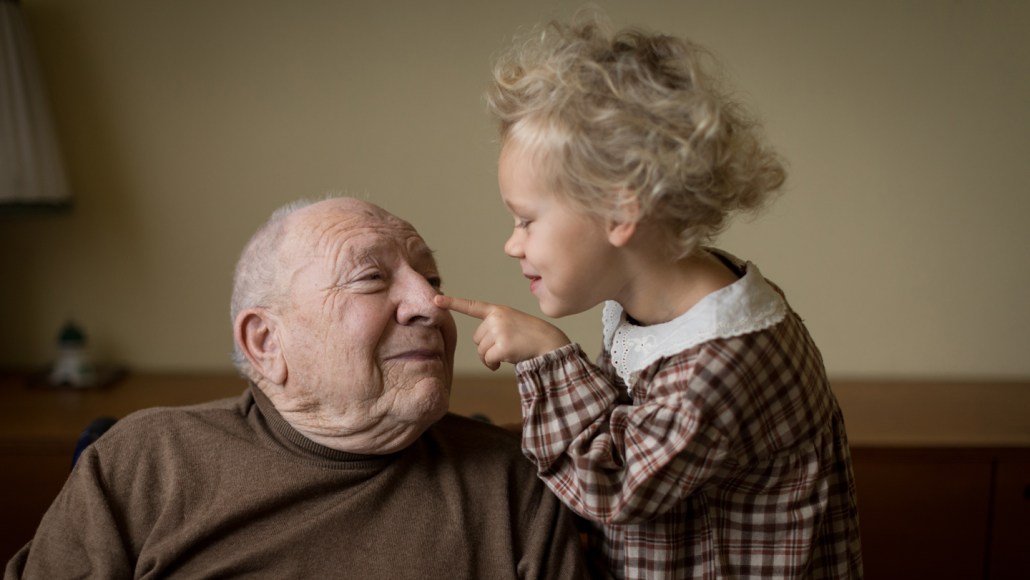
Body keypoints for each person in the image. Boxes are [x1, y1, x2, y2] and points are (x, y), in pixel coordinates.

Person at [434, 13, 863, 580]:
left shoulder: (720, 362)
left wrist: (548, 359)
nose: (512, 244)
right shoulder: (659, 306)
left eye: (526, 220)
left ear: (620, 210)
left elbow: (611, 487)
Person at [5, 197, 587, 579]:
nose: (430, 305)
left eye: (431, 278)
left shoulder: (517, 483)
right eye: (370, 279)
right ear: (266, 342)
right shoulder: (143, 464)